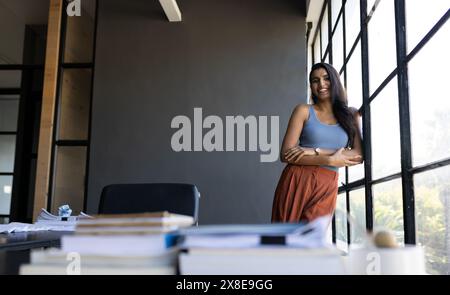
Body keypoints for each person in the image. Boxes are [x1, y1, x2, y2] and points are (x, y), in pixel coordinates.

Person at [271, 62, 363, 223]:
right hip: (298, 178)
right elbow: (286, 154)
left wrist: (315, 150)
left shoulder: (351, 114)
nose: (321, 84)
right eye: (315, 80)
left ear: (335, 81)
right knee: (284, 238)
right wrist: (328, 159)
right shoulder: (303, 111)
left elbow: (358, 155)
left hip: (328, 182)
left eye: (326, 78)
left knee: (312, 239)